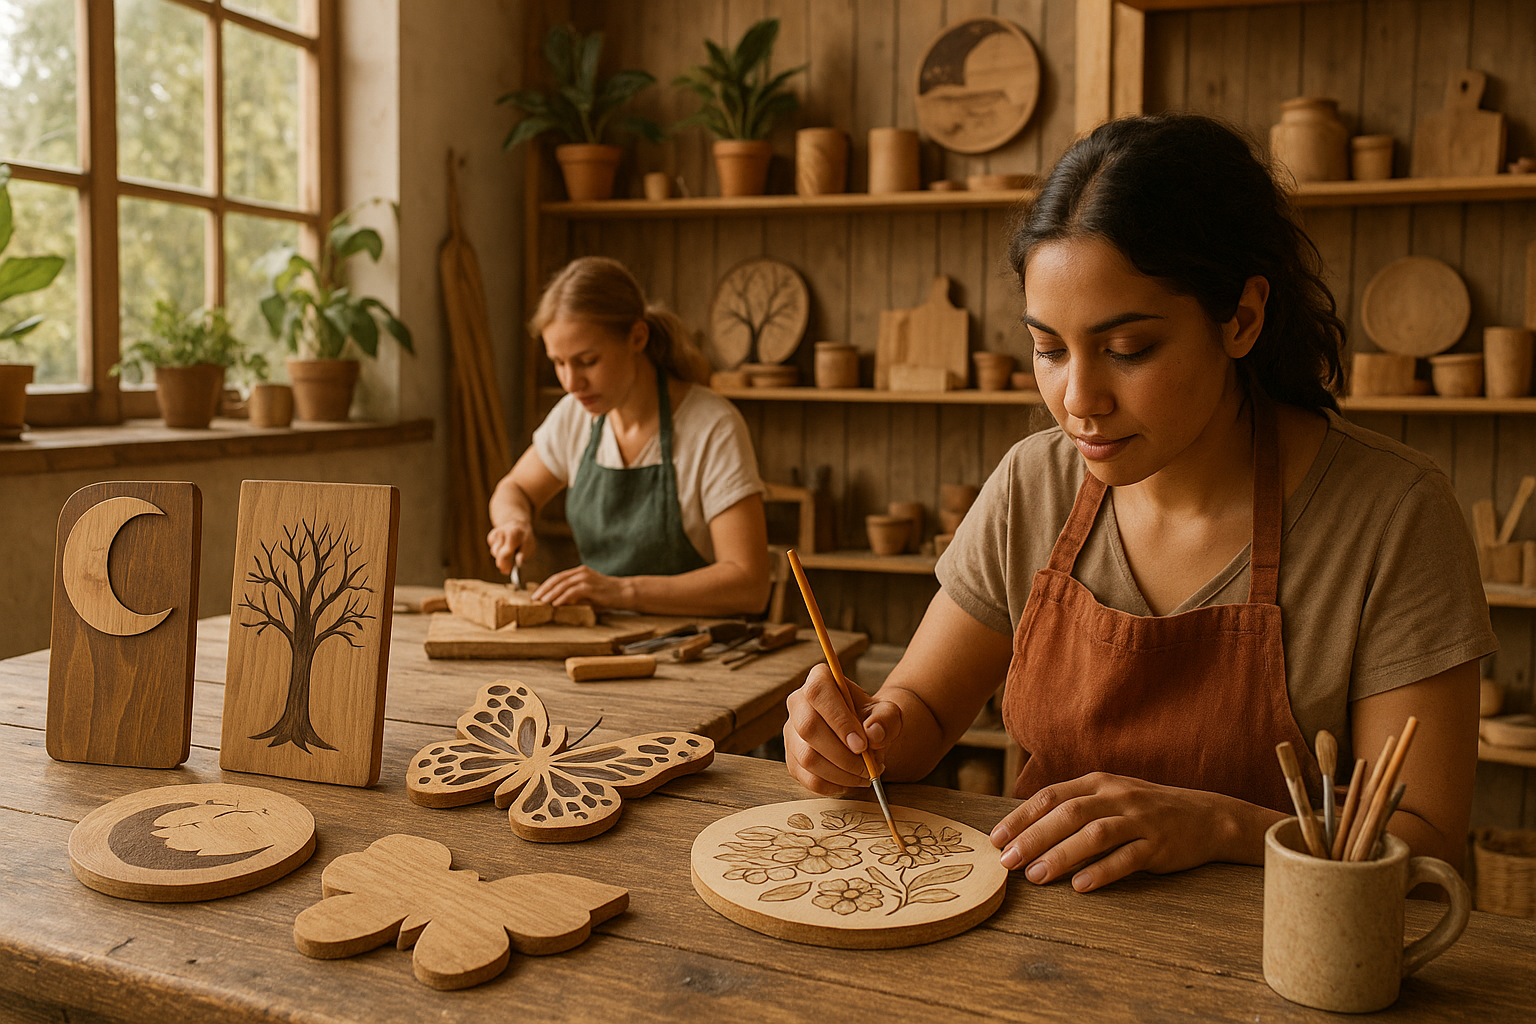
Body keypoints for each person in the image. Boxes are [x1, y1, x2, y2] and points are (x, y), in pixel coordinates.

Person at [784, 114, 1492, 892]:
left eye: (1128, 351)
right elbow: (919, 710)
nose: (1077, 398)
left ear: (1241, 319)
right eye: (1048, 349)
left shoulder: (1394, 516)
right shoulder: (1035, 484)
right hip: (1037, 950)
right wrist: (859, 735)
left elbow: (1426, 851)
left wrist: (1222, 825)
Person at [488, 256, 770, 616]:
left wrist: (622, 591)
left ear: (637, 337)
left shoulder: (713, 427)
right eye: (559, 363)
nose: (572, 383)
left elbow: (750, 585)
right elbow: (514, 489)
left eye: (587, 361)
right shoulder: (575, 416)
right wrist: (514, 522)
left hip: (698, 649)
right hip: (600, 642)